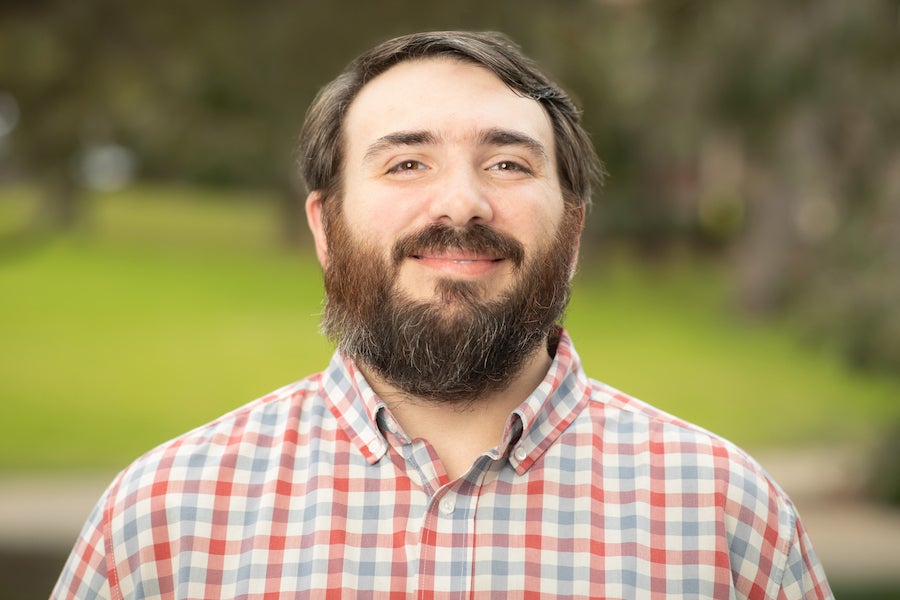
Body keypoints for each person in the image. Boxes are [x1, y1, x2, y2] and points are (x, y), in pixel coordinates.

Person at [52, 31, 833, 599]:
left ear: (574, 224)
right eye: (406, 163)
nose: (462, 201)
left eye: (506, 163)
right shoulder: (161, 519)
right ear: (325, 227)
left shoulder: (728, 514)